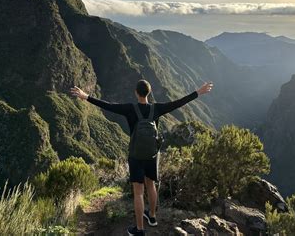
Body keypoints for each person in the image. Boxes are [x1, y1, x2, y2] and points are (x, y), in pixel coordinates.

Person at [70, 80, 213, 236]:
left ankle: (139, 230)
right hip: (152, 154)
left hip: (136, 155)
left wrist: (86, 96)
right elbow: (178, 103)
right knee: (151, 185)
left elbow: (108, 105)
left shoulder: (130, 109)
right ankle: (152, 217)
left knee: (138, 192)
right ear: (149, 92)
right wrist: (198, 92)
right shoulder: (156, 108)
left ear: (136, 93)